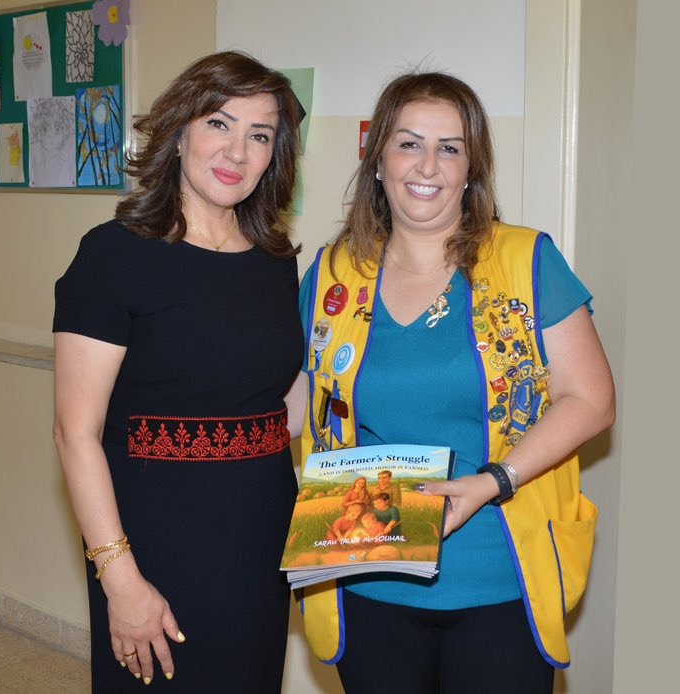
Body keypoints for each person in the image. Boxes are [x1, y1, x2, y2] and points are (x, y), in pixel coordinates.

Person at [295, 71, 615, 693]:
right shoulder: (334, 271)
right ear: (378, 160)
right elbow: (304, 400)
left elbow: (592, 400)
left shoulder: (526, 260)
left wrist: (494, 481)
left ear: (471, 169)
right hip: (366, 576)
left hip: (500, 577)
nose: (428, 166)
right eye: (409, 144)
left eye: (450, 148)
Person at [52, 51, 306, 693]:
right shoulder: (113, 256)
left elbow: (284, 408)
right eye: (220, 123)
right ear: (180, 129)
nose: (237, 152)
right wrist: (119, 578)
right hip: (152, 542)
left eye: (260, 135)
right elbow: (75, 434)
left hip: (260, 538)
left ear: (275, 155)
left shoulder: (276, 262)